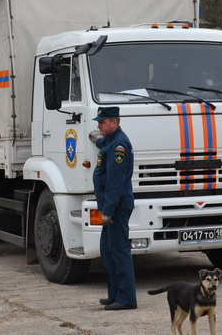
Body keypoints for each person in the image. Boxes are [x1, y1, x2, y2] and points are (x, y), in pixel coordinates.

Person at [88, 106, 137, 311]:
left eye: (102, 122)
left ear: (114, 123)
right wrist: (97, 140)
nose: (98, 125)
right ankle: (114, 294)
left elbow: (115, 182)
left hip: (115, 208)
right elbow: (104, 145)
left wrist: (107, 211)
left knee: (119, 250)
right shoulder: (110, 141)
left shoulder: (119, 146)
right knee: (107, 250)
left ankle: (126, 299)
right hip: (109, 207)